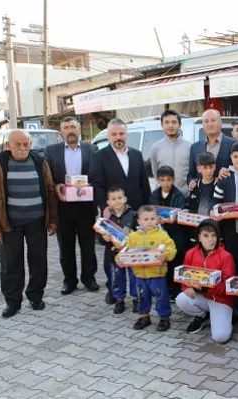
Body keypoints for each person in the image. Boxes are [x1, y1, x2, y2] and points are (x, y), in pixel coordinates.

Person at [0, 130, 58, 318]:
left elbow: (49, 190)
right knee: (11, 264)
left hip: (37, 221)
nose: (23, 148)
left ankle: (35, 296)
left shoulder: (40, 161)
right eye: (18, 144)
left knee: (38, 261)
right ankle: (12, 302)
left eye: (26, 144)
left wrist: (53, 220)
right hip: (10, 223)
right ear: (8, 145)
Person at [90, 118, 151, 302]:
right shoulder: (99, 156)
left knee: (136, 249)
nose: (118, 137)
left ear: (127, 135)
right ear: (108, 136)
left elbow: (144, 184)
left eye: (121, 134)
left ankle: (138, 290)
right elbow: (97, 184)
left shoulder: (136, 154)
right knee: (113, 253)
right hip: (113, 213)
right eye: (114, 134)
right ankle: (113, 289)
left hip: (134, 214)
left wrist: (146, 211)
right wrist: (104, 208)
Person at [44, 117, 99, 295]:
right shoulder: (51, 151)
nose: (70, 130)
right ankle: (69, 280)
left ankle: (89, 278)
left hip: (86, 207)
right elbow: (47, 179)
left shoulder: (92, 149)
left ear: (79, 129)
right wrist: (56, 186)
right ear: (61, 131)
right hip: (63, 207)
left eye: (73, 127)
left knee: (88, 246)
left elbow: (98, 176)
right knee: (66, 247)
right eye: (66, 127)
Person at [176, 219, 235, 342]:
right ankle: (202, 316)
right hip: (201, 297)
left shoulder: (226, 256)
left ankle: (230, 315)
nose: (211, 239)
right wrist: (187, 288)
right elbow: (184, 277)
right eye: (206, 236)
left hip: (220, 300)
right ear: (199, 237)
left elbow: (228, 285)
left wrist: (204, 288)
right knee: (181, 299)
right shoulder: (190, 254)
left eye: (214, 235)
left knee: (220, 338)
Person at [123, 205, 176, 331]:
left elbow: (171, 247)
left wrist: (166, 254)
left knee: (161, 296)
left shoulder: (162, 235)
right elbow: (126, 250)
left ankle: (164, 317)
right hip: (140, 275)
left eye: (152, 219)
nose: (149, 222)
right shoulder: (133, 236)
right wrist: (121, 258)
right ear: (139, 221)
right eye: (146, 219)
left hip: (157, 274)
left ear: (157, 220)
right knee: (142, 296)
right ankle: (144, 316)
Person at [149, 166, 186, 300]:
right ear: (158, 180)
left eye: (169, 180)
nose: (166, 183)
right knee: (161, 259)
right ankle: (162, 287)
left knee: (175, 259)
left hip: (175, 232)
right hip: (160, 232)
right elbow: (151, 212)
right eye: (162, 180)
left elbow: (181, 213)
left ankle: (175, 289)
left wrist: (174, 218)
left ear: (174, 180)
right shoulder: (154, 195)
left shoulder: (178, 195)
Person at [100, 187, 138, 314]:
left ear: (125, 199)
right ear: (108, 202)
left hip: (131, 254)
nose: (117, 201)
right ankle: (119, 300)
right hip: (114, 254)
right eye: (113, 199)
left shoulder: (133, 214)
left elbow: (139, 233)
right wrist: (104, 238)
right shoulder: (106, 218)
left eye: (120, 198)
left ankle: (136, 299)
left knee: (134, 277)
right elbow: (100, 237)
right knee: (117, 277)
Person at [150, 109, 192, 198]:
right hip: (163, 198)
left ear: (180, 124)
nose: (170, 125)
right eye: (167, 122)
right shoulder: (156, 147)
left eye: (174, 122)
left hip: (185, 197)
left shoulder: (189, 147)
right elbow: (155, 172)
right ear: (162, 125)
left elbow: (192, 173)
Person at [188, 109, 236, 184]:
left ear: (221, 123)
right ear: (203, 125)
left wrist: (228, 171)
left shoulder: (233, 144)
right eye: (206, 121)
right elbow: (191, 175)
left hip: (226, 193)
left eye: (213, 120)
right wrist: (191, 182)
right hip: (203, 193)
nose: (210, 124)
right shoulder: (195, 147)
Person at [188, 152, 217, 217]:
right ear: (199, 169)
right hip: (197, 224)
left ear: (215, 167)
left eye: (211, 167)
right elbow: (192, 208)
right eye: (205, 167)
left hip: (213, 224)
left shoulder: (219, 185)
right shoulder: (194, 186)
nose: (208, 171)